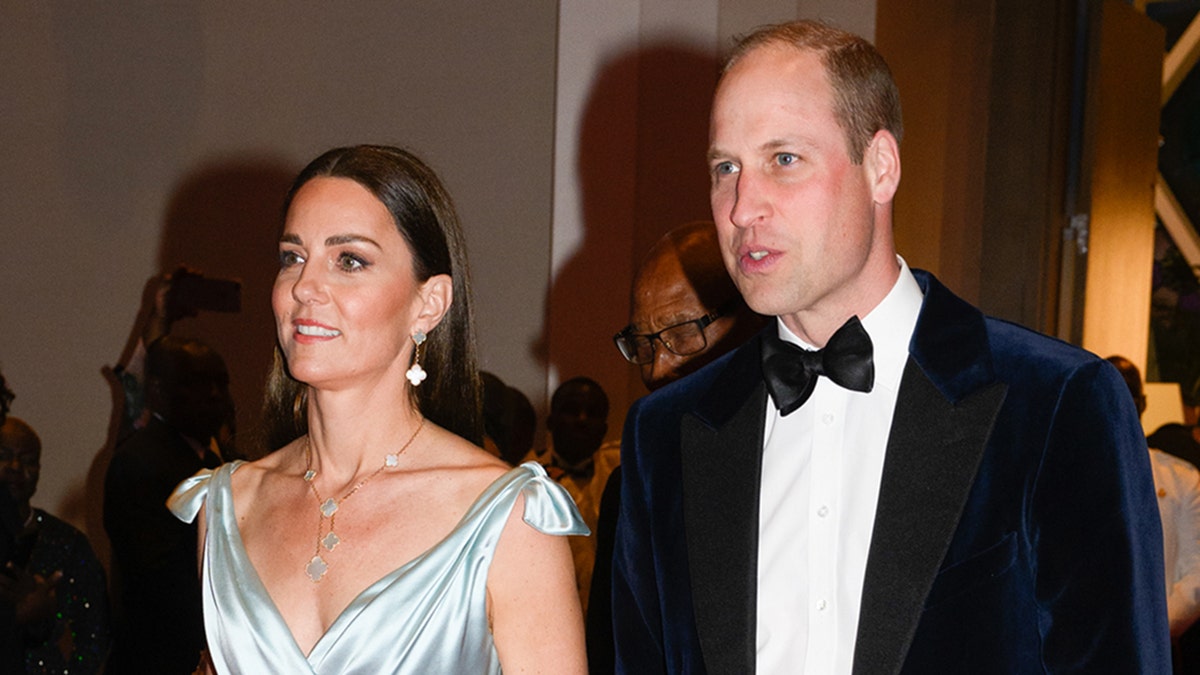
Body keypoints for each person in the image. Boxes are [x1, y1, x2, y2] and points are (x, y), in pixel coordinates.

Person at [612, 19, 1169, 674]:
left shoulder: (1057, 406)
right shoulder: (667, 434)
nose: (740, 209)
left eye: (783, 160)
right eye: (725, 167)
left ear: (880, 167)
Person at [167, 145, 588, 674]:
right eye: (292, 257)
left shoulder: (508, 518)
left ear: (428, 304)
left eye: (350, 261)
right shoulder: (225, 505)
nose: (304, 288)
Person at [588, 220, 764, 672]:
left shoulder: (814, 449)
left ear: (754, 316)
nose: (657, 368)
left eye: (682, 332)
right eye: (643, 344)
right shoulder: (633, 487)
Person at [103, 336, 229, 674]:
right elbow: (158, 580)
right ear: (158, 391)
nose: (215, 395)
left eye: (221, 383)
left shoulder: (226, 462)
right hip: (160, 660)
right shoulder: (137, 463)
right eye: (199, 383)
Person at [0, 417, 111, 674]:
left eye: (28, 460)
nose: (16, 467)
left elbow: (95, 634)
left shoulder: (66, 541)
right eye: (5, 455)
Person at [1108, 356, 1200, 645]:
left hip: (1154, 638)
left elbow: (1196, 571)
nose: (1121, 405)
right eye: (1111, 394)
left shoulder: (1181, 479)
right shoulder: (1064, 472)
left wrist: (1153, 627)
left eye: (1130, 395)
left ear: (1143, 403)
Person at [542, 376, 616, 614]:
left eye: (592, 413)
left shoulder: (623, 480)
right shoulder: (522, 479)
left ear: (604, 428)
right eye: (572, 411)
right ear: (551, 422)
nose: (582, 420)